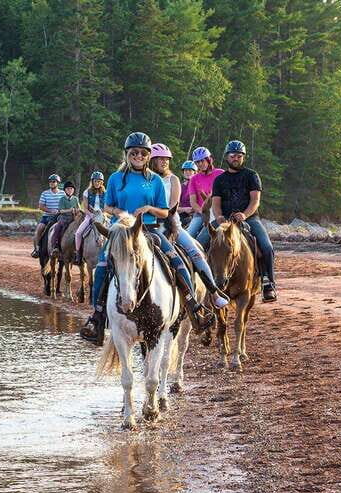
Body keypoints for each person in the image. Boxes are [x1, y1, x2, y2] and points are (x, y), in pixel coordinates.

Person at [79, 132, 213, 345]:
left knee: (177, 260)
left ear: (148, 156)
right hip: (121, 231)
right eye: (134, 152)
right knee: (102, 266)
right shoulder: (115, 179)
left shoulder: (156, 181)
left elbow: (164, 212)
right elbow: (106, 206)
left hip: (151, 229)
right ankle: (97, 317)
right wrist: (121, 214)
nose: (138, 156)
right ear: (127, 154)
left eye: (142, 153)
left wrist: (149, 208)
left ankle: (194, 306)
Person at [149, 142, 230, 309]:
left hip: (172, 226)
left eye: (167, 159)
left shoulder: (173, 180)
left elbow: (171, 207)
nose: (164, 162)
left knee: (194, 250)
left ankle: (213, 293)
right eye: (160, 159)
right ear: (151, 161)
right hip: (148, 227)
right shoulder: (144, 180)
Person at [210, 140, 277, 303]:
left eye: (239, 156)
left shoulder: (251, 176)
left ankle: (268, 284)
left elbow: (255, 201)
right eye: (233, 155)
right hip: (224, 221)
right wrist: (219, 217)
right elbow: (215, 203)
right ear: (226, 157)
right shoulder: (219, 180)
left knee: (267, 247)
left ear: (243, 158)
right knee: (200, 242)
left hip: (249, 218)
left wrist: (245, 215)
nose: (236, 158)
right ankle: (201, 283)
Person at [186, 146, 225, 240]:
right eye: (197, 162)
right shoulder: (194, 179)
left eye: (202, 160)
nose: (200, 164)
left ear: (209, 159)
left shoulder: (221, 173)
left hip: (220, 211)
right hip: (201, 213)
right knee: (189, 235)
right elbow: (193, 202)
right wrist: (202, 212)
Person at [73, 171, 105, 266]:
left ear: (102, 182)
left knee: (114, 231)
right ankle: (78, 254)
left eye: (99, 181)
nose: (97, 183)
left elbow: (107, 207)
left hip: (102, 216)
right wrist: (91, 215)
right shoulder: (87, 192)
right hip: (89, 216)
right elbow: (85, 208)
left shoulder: (105, 193)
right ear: (92, 181)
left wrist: (102, 213)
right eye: (95, 181)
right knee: (78, 233)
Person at [31, 174, 65, 257]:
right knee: (39, 229)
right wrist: (51, 211)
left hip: (60, 217)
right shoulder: (45, 193)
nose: (51, 183)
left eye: (53, 181)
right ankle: (37, 249)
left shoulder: (63, 193)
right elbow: (41, 206)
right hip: (47, 217)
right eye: (50, 182)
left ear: (57, 183)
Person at [50, 180, 80, 254]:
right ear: (65, 190)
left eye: (71, 189)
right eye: (68, 189)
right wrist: (69, 210)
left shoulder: (75, 199)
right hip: (64, 218)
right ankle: (55, 246)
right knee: (57, 228)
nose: (70, 190)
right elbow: (60, 211)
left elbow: (79, 208)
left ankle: (79, 249)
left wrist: (77, 210)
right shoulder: (62, 199)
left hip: (73, 218)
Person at [178, 161, 196, 227]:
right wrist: (185, 209)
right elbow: (174, 207)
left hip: (196, 214)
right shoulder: (180, 187)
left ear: (195, 172)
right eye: (185, 170)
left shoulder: (197, 186)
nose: (187, 172)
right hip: (182, 215)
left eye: (190, 170)